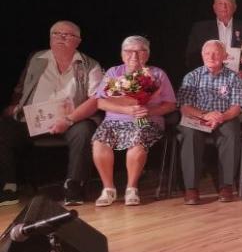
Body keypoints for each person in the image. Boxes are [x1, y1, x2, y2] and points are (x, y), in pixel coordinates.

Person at [0, 21, 103, 206]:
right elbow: (21, 87)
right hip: (34, 120)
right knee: (3, 129)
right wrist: (15, 105)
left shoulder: (90, 65)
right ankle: (9, 187)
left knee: (85, 130)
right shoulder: (37, 59)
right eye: (56, 33)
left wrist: (69, 119)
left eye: (67, 35)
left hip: (71, 121)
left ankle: (74, 186)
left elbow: (95, 100)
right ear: (50, 38)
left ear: (78, 41)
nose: (61, 37)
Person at [93, 36, 177, 207]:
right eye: (129, 51)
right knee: (99, 142)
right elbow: (100, 102)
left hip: (145, 120)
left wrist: (149, 110)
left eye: (140, 51)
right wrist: (127, 110)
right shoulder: (113, 73)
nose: (134, 56)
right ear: (122, 54)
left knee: (138, 140)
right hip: (115, 119)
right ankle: (108, 189)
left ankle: (131, 188)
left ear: (147, 54)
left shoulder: (157, 74)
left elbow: (170, 105)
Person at [177, 40, 242, 204]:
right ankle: (191, 188)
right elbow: (185, 108)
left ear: (224, 56)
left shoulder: (233, 77)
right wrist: (206, 115)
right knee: (189, 134)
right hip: (198, 117)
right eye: (207, 53)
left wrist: (220, 117)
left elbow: (236, 107)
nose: (211, 57)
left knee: (231, 133)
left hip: (224, 117)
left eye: (216, 53)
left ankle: (226, 186)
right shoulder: (192, 76)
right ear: (202, 55)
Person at [184, 0, 242, 70]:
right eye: (220, 3)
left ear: (234, 7)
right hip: (208, 75)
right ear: (214, 8)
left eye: (227, 4)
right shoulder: (200, 29)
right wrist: (204, 72)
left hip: (237, 75)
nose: (224, 7)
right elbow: (191, 57)